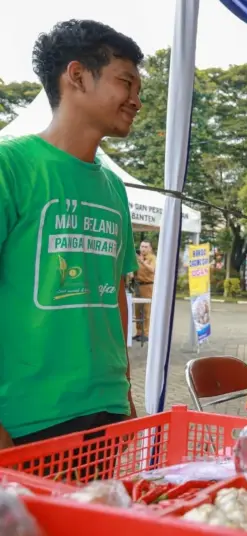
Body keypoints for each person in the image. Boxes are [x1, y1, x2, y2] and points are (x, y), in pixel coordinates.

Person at [0, 20, 143, 449]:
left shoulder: (113, 186)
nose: (136, 100)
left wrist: (125, 391)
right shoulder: (11, 166)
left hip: (105, 413)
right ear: (77, 75)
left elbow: (115, 290)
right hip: (27, 418)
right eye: (126, 82)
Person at [134, 239, 156, 342]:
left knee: (146, 311)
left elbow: (152, 270)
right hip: (138, 285)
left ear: (150, 248)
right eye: (142, 246)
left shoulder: (152, 258)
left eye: (145, 247)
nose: (143, 249)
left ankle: (146, 333)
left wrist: (142, 262)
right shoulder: (138, 258)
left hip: (148, 286)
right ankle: (138, 332)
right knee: (137, 311)